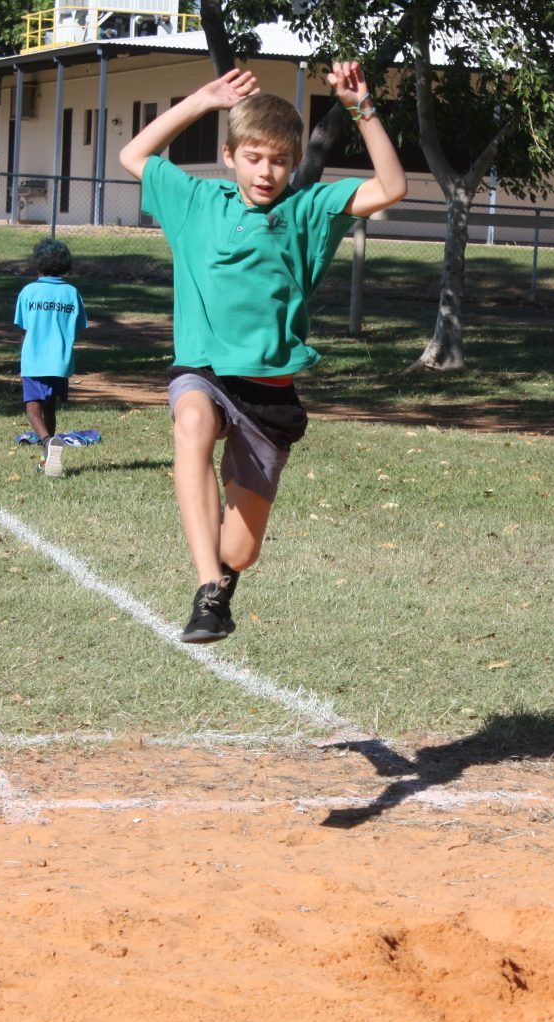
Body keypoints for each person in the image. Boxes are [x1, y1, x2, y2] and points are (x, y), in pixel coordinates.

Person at [118, 63, 407, 643]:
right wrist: (202, 99)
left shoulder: (308, 209)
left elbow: (392, 187)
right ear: (229, 156)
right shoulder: (196, 201)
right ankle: (208, 590)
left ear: (294, 162)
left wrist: (362, 108)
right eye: (253, 158)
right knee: (192, 422)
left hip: (269, 388)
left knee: (241, 550)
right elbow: (134, 154)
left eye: (279, 160)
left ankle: (223, 574)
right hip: (203, 367)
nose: (266, 171)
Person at [14, 238, 86, 478]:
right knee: (49, 409)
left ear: (38, 264)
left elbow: (23, 328)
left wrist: (23, 362)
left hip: (35, 360)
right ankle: (47, 460)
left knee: (33, 411)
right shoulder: (72, 293)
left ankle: (46, 441)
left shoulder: (28, 292)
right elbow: (77, 327)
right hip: (60, 362)